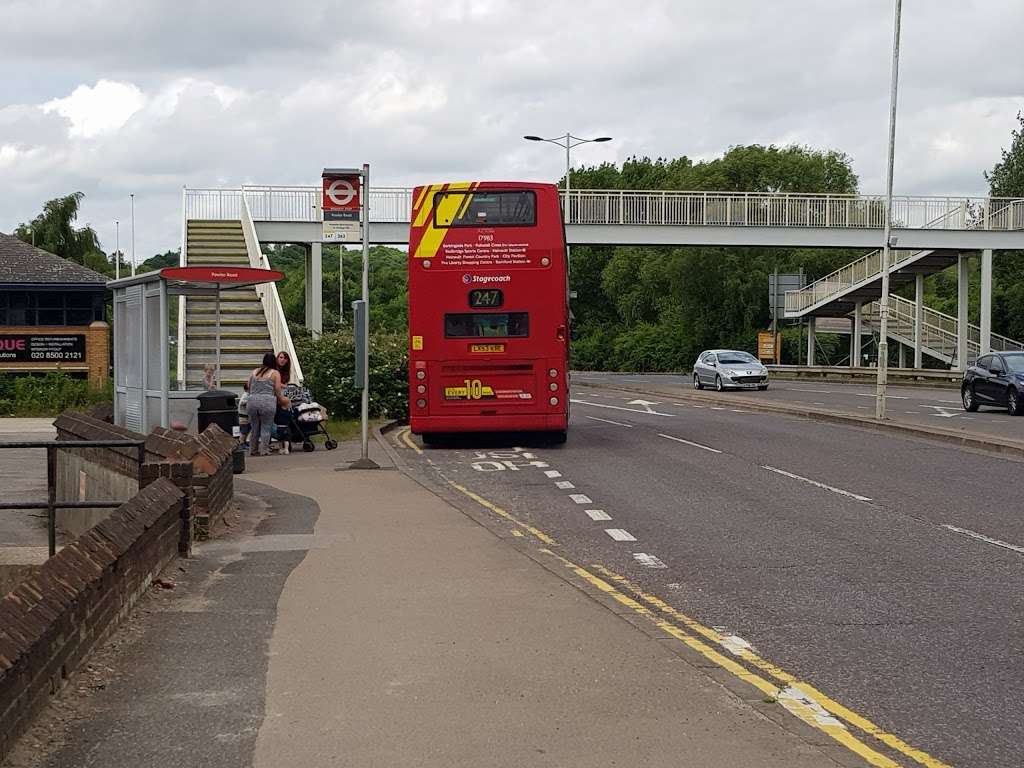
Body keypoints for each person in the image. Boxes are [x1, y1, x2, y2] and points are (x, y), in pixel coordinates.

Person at [246, 352, 283, 457]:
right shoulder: (275, 373)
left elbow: (248, 386)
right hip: (267, 401)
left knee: (254, 427)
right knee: (266, 427)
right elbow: (277, 389)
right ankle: (264, 450)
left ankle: (253, 450)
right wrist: (281, 399)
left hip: (252, 401)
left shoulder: (254, 372)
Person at [273, 351, 293, 453]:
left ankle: (285, 443)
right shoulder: (273, 370)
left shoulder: (286, 372)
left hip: (282, 397)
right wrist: (281, 385)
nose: (282, 360)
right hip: (274, 396)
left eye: (285, 358)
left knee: (283, 419)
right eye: (280, 357)